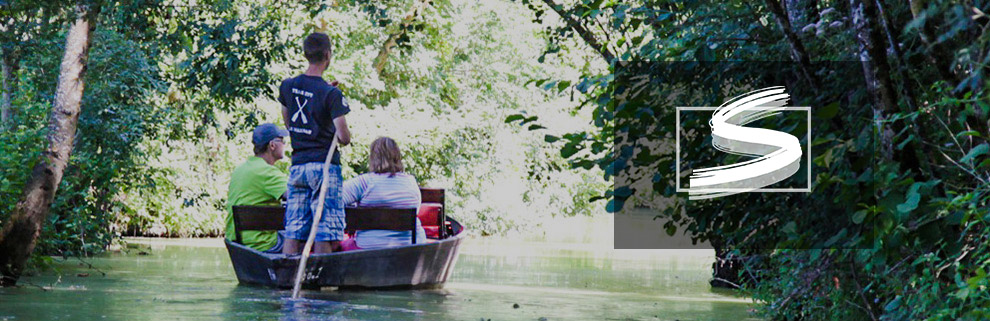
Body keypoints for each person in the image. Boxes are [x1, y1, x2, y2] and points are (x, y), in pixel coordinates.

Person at [279, 32, 352, 254]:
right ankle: (322, 275)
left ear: (305, 54)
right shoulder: (331, 94)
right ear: (327, 55)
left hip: (298, 166)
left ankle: (288, 273)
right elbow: (344, 137)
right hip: (324, 167)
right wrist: (330, 101)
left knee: (293, 230)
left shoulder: (287, 86)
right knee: (324, 232)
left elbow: (290, 123)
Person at [340, 137, 426, 251]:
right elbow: (416, 209)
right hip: (412, 246)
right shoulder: (410, 181)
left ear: (373, 158)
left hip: (368, 247)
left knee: (339, 246)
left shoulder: (365, 182)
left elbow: (334, 200)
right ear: (397, 157)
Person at [226, 123, 289, 253]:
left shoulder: (240, 170)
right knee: (307, 237)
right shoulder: (267, 172)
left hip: (237, 242)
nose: (285, 145)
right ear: (272, 145)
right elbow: (297, 197)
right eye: (282, 141)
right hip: (262, 243)